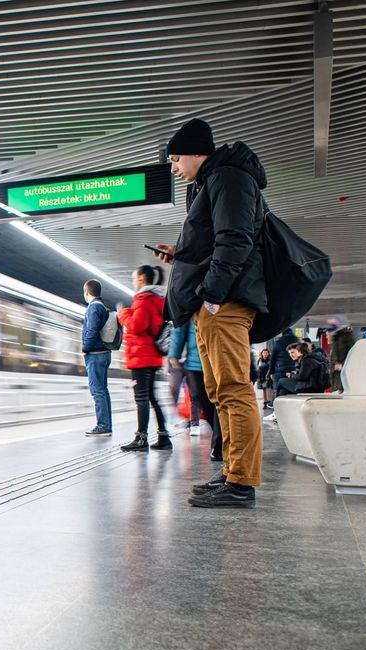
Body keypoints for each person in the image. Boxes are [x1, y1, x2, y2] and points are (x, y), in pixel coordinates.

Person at [154, 117, 267, 508]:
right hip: (216, 302)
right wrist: (179, 253)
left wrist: (212, 296)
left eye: (176, 158)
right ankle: (233, 474)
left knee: (234, 389)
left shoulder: (229, 178)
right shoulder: (212, 182)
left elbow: (234, 240)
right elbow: (214, 241)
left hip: (226, 303)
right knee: (220, 391)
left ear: (197, 152)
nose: (173, 167)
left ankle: (241, 483)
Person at [118, 265, 172, 452]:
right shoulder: (156, 299)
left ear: (141, 279)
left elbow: (137, 326)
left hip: (142, 356)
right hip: (151, 356)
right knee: (151, 397)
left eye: (134, 279)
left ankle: (141, 438)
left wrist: (124, 314)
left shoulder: (143, 299)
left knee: (141, 398)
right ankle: (164, 436)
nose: (133, 283)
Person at [169, 323, 223, 459]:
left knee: (219, 401)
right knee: (204, 402)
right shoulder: (192, 303)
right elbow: (180, 326)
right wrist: (174, 353)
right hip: (196, 360)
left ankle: (219, 444)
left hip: (219, 357)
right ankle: (219, 440)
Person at [81, 279, 113, 437]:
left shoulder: (93, 307)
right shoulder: (103, 307)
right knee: (103, 391)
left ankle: (103, 426)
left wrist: (85, 348)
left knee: (97, 391)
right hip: (105, 353)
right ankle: (106, 425)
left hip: (95, 355)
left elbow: (92, 330)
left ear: (87, 291)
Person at [267, 328, 298, 407]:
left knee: (278, 391)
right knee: (292, 391)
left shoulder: (278, 342)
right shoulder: (297, 342)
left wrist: (271, 372)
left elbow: (272, 359)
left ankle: (277, 412)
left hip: (280, 370)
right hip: (293, 370)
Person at [326, 316, 357, 393]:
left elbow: (353, 354)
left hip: (344, 375)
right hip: (337, 376)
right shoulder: (337, 337)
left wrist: (343, 365)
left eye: (333, 322)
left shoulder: (347, 337)